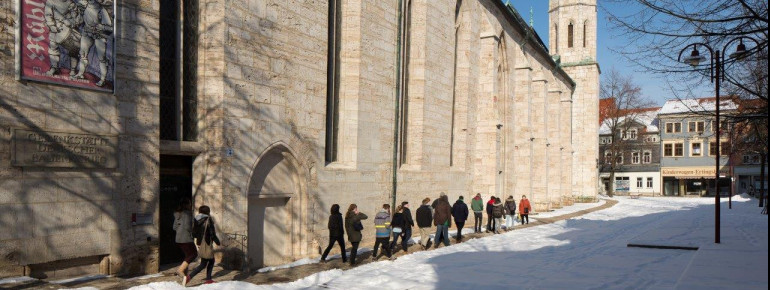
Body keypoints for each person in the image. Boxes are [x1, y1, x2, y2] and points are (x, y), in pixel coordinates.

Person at [183, 205, 221, 286]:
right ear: (207, 211)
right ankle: (189, 277)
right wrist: (218, 242)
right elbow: (212, 233)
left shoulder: (196, 219)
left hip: (200, 243)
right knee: (205, 263)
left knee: (209, 261)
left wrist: (199, 240)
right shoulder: (208, 219)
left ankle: (208, 279)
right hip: (207, 243)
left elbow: (194, 233)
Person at [173, 199, 196, 277]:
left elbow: (174, 227)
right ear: (187, 205)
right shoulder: (187, 214)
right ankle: (180, 270)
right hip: (186, 238)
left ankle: (184, 276)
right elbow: (187, 226)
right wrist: (192, 232)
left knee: (187, 255)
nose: (191, 205)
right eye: (190, 204)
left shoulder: (177, 214)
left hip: (179, 238)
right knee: (193, 254)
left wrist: (180, 230)